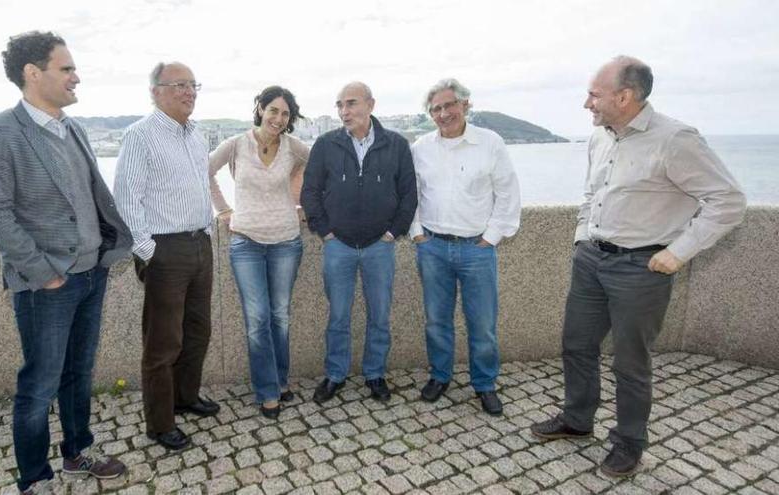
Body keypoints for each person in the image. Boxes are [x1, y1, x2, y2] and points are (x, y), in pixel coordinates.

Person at [530, 56, 746, 477]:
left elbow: (729, 200)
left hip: (640, 269)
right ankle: (577, 420)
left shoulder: (675, 139)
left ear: (624, 96)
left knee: (630, 362)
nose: (586, 103)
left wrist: (678, 251)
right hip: (592, 258)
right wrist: (581, 239)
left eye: (595, 94)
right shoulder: (600, 137)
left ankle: (628, 443)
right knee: (576, 345)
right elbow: (593, 193)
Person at [0, 31, 131, 494]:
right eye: (66, 68)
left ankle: (78, 454)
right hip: (47, 287)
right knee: (38, 386)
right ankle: (34, 478)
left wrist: (105, 255)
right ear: (32, 74)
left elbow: (94, 199)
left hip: (90, 274)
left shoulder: (73, 127)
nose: (76, 77)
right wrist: (46, 275)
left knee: (79, 374)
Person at [114, 62, 219, 451]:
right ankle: (160, 424)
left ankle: (186, 397)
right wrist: (148, 252)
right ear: (155, 91)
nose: (189, 92)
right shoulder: (139, 136)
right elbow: (126, 199)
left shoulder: (196, 135)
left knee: (198, 330)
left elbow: (200, 187)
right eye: (179, 85)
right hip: (165, 249)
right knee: (162, 342)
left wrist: (206, 231)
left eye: (194, 85)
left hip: (199, 244)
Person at [409, 78, 521, 415]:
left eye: (449, 106)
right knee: (436, 320)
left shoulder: (490, 143)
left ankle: (485, 384)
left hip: (477, 249)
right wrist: (417, 233)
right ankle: (440, 376)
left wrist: (491, 238)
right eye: (436, 109)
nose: (443, 114)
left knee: (482, 323)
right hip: (433, 247)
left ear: (465, 105)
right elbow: (410, 193)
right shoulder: (420, 147)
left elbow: (508, 193)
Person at [301, 81, 417, 404]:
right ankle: (335, 374)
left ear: (371, 105)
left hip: (380, 246)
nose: (344, 111)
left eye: (351, 103)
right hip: (338, 246)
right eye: (339, 105)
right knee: (338, 315)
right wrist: (324, 231)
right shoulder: (325, 145)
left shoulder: (396, 144)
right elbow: (310, 192)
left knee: (379, 314)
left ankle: (375, 373)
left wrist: (394, 233)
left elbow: (409, 194)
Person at [209, 86, 310, 419]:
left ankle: (281, 382)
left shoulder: (294, 147)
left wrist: (301, 202)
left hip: (286, 240)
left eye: (285, 114)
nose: (278, 119)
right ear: (260, 108)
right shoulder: (236, 144)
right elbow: (204, 172)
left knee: (280, 316)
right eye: (273, 111)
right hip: (246, 242)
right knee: (258, 320)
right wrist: (223, 210)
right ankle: (267, 391)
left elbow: (317, 169)